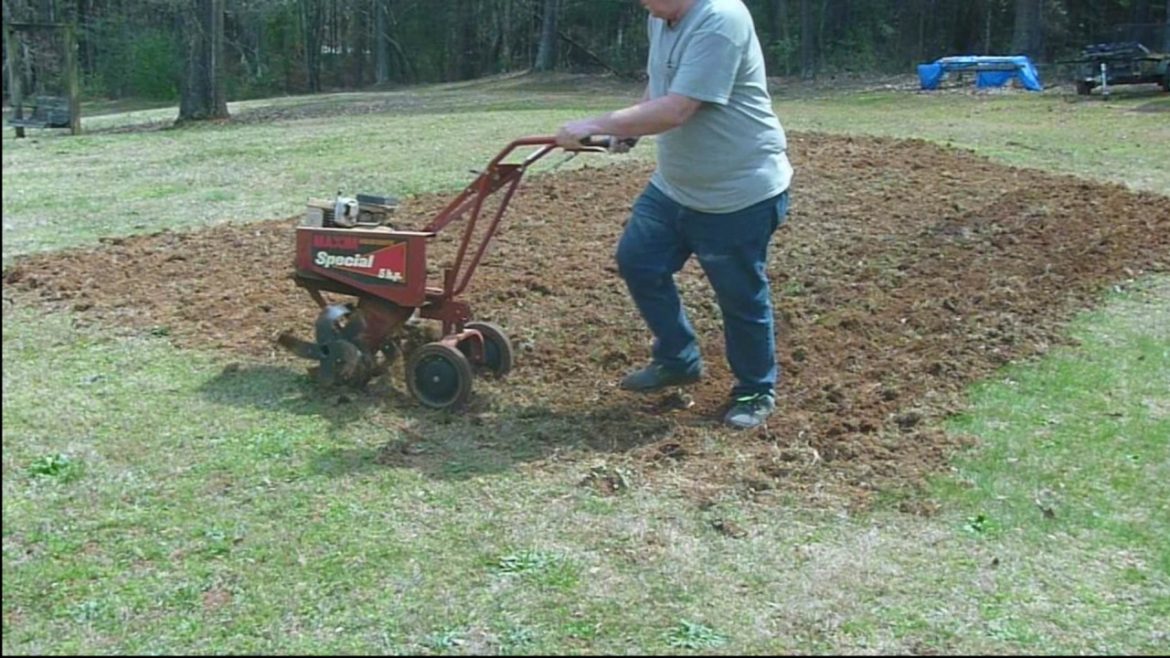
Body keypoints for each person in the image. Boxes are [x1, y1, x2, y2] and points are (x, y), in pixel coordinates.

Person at [555, 0, 793, 430]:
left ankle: (756, 389)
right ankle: (678, 358)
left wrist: (592, 121)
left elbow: (678, 108)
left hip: (735, 192)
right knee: (638, 259)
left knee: (739, 296)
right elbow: (660, 89)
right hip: (675, 186)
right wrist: (620, 130)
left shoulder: (721, 19)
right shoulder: (661, 16)